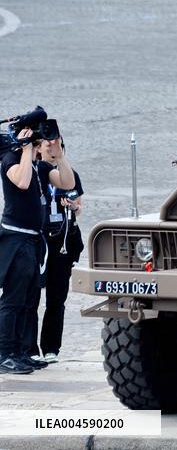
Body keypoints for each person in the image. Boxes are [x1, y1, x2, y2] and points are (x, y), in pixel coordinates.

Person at [1, 125, 75, 374]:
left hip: (33, 240)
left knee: (26, 299)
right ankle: (4, 353)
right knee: (12, 300)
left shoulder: (40, 167)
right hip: (15, 238)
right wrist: (23, 149)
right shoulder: (10, 159)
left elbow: (67, 182)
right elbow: (22, 183)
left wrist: (60, 155)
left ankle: (20, 351)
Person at [23, 137, 84, 364]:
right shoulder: (35, 172)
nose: (52, 151)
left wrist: (74, 206)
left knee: (57, 299)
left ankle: (51, 348)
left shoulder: (69, 175)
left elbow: (79, 207)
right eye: (47, 147)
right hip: (40, 239)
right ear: (39, 149)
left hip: (63, 241)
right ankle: (29, 347)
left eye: (56, 148)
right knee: (31, 296)